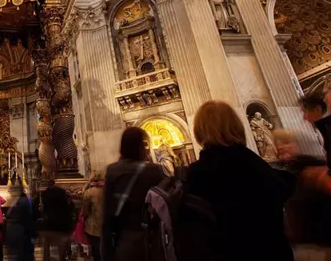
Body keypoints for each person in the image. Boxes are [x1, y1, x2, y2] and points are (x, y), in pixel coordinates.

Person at [185, 100, 294, 261]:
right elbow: (281, 189)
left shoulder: (195, 173)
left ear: (199, 131)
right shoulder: (250, 162)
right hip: (269, 251)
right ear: (237, 126)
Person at [102, 127, 164, 261]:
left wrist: (106, 250)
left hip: (126, 238)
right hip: (154, 237)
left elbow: (107, 212)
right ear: (141, 146)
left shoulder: (113, 170)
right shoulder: (155, 170)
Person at [271, 129, 331, 260]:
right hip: (298, 241)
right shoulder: (278, 171)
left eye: (286, 143)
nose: (281, 147)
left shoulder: (315, 167)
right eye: (278, 143)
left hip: (319, 240)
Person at [40, 180, 74, 261]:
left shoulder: (44, 194)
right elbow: (66, 207)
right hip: (60, 223)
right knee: (60, 247)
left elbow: (43, 208)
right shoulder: (61, 193)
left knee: (46, 246)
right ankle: (62, 258)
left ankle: (46, 258)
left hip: (48, 223)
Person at [82, 173, 105, 261]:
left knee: (96, 250)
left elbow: (85, 211)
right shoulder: (107, 190)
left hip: (93, 225)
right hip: (106, 225)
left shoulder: (89, 192)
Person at [6, 190, 34, 261]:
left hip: (19, 228)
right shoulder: (28, 202)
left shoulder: (17, 203)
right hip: (26, 227)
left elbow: (9, 213)